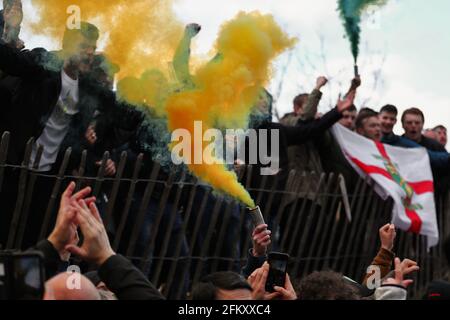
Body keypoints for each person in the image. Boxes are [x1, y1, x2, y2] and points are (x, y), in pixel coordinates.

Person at [34, 182, 165, 300]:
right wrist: (106, 257)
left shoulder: (89, 280)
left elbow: (18, 289)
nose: (106, 286)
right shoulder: (93, 281)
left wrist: (53, 246)